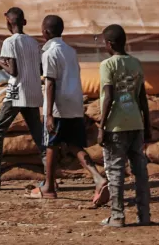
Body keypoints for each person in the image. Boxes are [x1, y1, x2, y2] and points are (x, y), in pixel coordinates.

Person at [34, 15, 106, 205]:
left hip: (58, 106)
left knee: (51, 145)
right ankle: (98, 179)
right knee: (74, 145)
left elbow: (50, 83)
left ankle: (48, 187)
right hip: (74, 104)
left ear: (46, 32)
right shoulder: (70, 51)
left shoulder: (50, 53)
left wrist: (48, 113)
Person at [0, 7, 45, 190]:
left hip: (17, 91)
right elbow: (39, 69)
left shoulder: (9, 42)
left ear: (8, 23)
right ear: (24, 22)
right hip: (33, 90)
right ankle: (50, 177)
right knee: (38, 134)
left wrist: (0, 62)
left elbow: (13, 71)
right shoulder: (33, 43)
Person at [96, 24, 152, 227]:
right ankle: (144, 216)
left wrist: (102, 126)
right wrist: (148, 124)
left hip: (116, 126)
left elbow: (109, 96)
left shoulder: (107, 65)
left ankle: (117, 216)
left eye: (104, 43)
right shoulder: (136, 63)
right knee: (140, 172)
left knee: (115, 171)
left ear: (109, 44)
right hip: (136, 124)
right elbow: (142, 97)